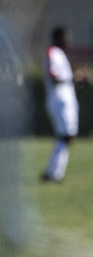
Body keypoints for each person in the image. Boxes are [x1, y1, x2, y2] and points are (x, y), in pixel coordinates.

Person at [42, 25, 80, 183]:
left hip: (67, 99)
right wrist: (73, 79)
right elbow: (54, 78)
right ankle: (52, 173)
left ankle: (53, 172)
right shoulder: (52, 52)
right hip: (59, 100)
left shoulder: (61, 54)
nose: (69, 40)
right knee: (65, 136)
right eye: (66, 37)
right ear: (58, 38)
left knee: (67, 136)